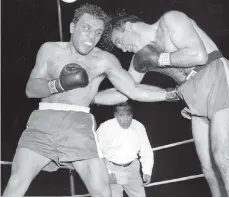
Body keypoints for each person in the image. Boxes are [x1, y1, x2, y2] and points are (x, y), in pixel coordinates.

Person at [2, 4, 178, 197]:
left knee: (103, 192)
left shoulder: (105, 60)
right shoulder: (49, 50)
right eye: (86, 28)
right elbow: (30, 89)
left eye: (97, 32)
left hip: (79, 125)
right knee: (16, 183)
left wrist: (172, 93)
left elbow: (132, 90)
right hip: (44, 122)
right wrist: (59, 85)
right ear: (72, 27)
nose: (91, 37)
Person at [94, 11, 229, 197]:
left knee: (224, 157)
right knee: (209, 169)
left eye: (119, 41)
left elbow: (198, 55)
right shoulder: (140, 57)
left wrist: (159, 59)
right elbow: (128, 91)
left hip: (215, 75)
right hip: (192, 93)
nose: (122, 49)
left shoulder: (170, 20)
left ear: (128, 26)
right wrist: (89, 97)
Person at [97, 102, 153, 197]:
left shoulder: (138, 126)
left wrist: (147, 172)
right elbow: (97, 152)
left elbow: (146, 150)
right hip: (111, 169)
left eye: (128, 114)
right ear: (115, 115)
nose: (125, 119)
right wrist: (107, 172)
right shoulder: (105, 128)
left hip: (133, 170)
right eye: (121, 115)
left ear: (132, 114)